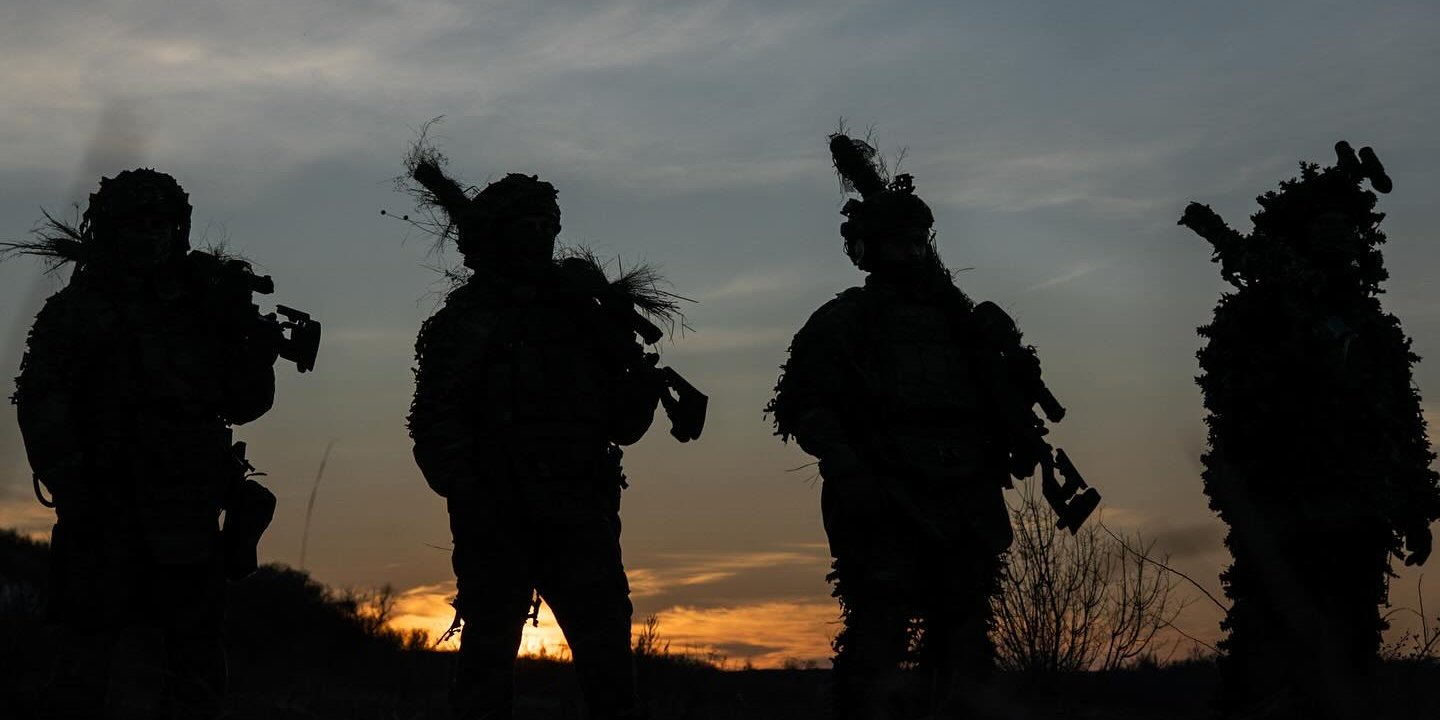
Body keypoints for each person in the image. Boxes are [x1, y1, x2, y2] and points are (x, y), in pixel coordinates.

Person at [405, 159, 693, 720]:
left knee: (608, 667)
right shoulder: (469, 319)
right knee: (487, 665)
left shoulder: (584, 316)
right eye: (526, 226)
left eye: (547, 226)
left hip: (581, 514)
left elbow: (624, 427)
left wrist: (634, 375)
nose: (539, 237)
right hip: (498, 514)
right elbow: (435, 417)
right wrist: (468, 490)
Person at [11, 169, 301, 718]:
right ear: (111, 230)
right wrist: (75, 487)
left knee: (195, 664)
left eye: (159, 225)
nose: (148, 236)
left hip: (187, 510)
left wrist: (251, 349)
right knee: (83, 660)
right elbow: (41, 406)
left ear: (176, 231)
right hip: (102, 507)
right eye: (136, 224)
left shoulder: (204, 308)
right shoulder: (74, 312)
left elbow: (245, 405)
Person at [769, 134, 1038, 719]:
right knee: (878, 642)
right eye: (899, 242)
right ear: (869, 248)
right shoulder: (847, 320)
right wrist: (849, 468)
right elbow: (804, 405)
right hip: (889, 497)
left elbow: (998, 405)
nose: (911, 254)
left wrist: (1015, 402)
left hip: (963, 499)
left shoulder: (961, 326)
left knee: (966, 645)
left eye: (919, 242)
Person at [1180, 142, 1439, 718]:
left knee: (1350, 648)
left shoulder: (1371, 329)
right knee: (1271, 647)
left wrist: (1415, 508)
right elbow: (1236, 403)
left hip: (1361, 507)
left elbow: (1400, 419)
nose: (1339, 237)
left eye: (1347, 227)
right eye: (1325, 226)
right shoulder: (1264, 314)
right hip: (1287, 502)